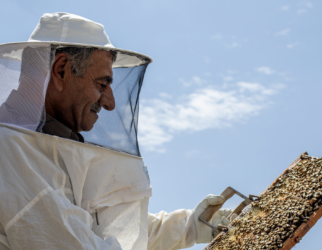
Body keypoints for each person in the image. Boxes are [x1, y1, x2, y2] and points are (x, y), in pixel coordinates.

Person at [0, 13, 236, 250]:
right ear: (61, 70)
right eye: (102, 84)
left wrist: (189, 227)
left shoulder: (39, 145)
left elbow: (102, 226)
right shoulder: (10, 151)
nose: (110, 103)